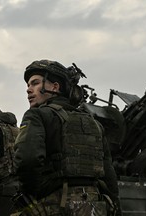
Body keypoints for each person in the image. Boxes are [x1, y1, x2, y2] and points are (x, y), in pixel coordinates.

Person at [14, 59, 121, 215]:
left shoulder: (36, 116)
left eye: (35, 83)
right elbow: (109, 174)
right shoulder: (93, 122)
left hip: (55, 204)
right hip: (93, 205)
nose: (29, 90)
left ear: (55, 87)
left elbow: (27, 160)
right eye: (28, 85)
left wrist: (33, 193)